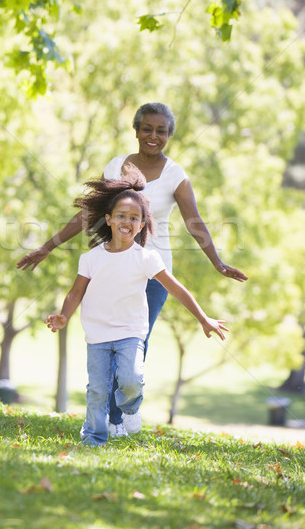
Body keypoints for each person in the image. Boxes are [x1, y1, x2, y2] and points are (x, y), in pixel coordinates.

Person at [17, 102, 247, 434]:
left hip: (152, 270)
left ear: (169, 135)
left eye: (161, 131)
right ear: (136, 130)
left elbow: (194, 222)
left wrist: (217, 262)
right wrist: (47, 246)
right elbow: (89, 214)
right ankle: (109, 416)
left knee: (136, 339)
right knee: (107, 337)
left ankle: (118, 416)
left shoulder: (175, 175)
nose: (153, 136)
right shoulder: (116, 166)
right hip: (110, 266)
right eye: (147, 129)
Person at [45, 166, 229, 446]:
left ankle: (130, 408)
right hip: (97, 334)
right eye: (121, 215)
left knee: (130, 380)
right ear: (108, 219)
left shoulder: (147, 258)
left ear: (142, 225)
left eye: (134, 218)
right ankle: (94, 437)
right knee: (97, 389)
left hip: (131, 332)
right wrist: (64, 316)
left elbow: (176, 289)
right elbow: (75, 293)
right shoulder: (91, 258)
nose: (127, 221)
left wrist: (203, 318)